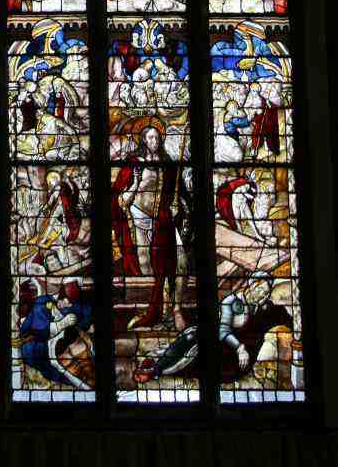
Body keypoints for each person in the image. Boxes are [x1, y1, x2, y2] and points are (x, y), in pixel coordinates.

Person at [132, 274, 291, 386]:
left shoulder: (258, 307)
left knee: (200, 361)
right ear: (252, 285)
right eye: (259, 290)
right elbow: (222, 330)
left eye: (264, 294)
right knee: (188, 347)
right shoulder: (232, 301)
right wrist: (240, 348)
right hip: (211, 335)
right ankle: (156, 369)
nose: (260, 296)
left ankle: (156, 368)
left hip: (226, 349)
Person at [111, 122, 190, 332]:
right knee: (145, 264)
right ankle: (154, 309)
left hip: (163, 219)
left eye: (157, 137)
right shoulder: (134, 162)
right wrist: (135, 184)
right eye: (150, 138)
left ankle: (176, 308)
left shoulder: (167, 162)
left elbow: (178, 192)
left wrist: (178, 206)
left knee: (181, 260)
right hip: (138, 217)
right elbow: (119, 197)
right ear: (143, 140)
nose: (155, 141)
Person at [17, 278, 94, 390]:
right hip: (50, 352)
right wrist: (61, 324)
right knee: (79, 376)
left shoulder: (49, 302)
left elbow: (84, 319)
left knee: (88, 371)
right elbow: (40, 331)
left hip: (72, 344)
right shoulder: (40, 305)